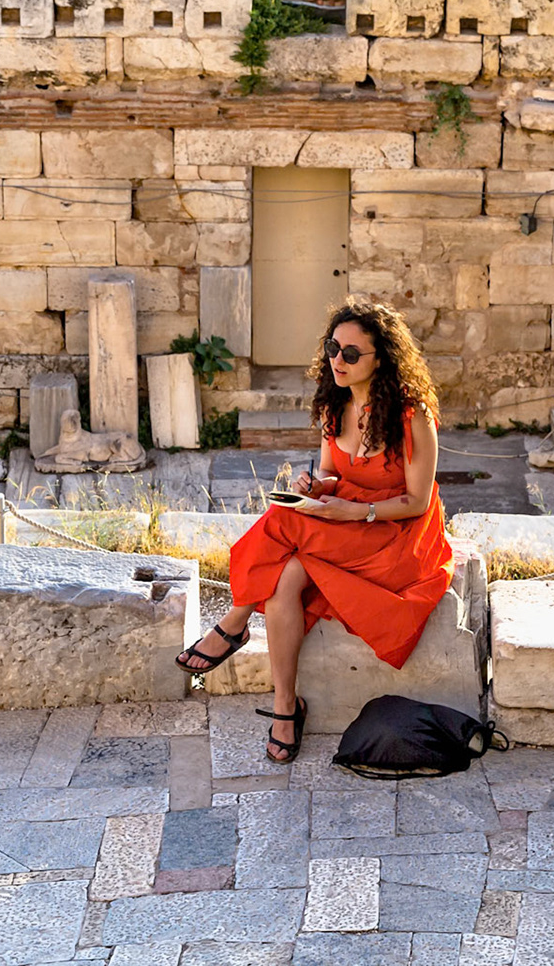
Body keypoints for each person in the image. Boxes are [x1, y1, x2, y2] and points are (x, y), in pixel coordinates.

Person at [174, 297, 454, 764]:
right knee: (286, 579)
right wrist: (315, 486)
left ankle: (233, 624)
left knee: (283, 522)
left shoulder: (413, 414)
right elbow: (331, 472)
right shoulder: (334, 405)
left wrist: (354, 514)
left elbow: (416, 502)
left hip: (395, 534)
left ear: (380, 358)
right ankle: (286, 706)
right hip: (345, 520)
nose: (337, 361)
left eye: (350, 353)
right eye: (332, 348)